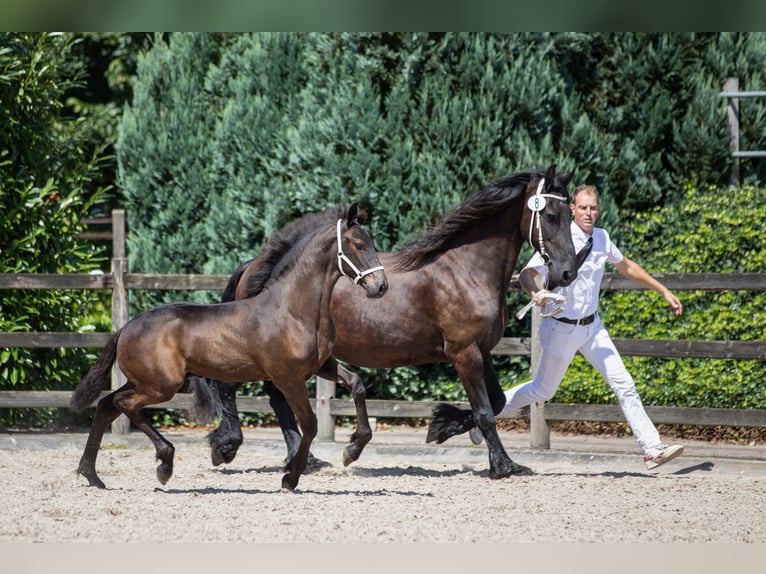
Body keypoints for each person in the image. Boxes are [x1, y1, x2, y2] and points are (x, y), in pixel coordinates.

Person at [501, 184, 684, 470]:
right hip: (561, 329)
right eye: (583, 207)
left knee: (624, 383)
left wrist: (662, 290)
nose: (589, 213)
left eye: (593, 208)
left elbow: (627, 267)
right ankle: (490, 409)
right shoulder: (559, 239)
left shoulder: (602, 238)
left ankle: (651, 449)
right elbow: (527, 274)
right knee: (542, 391)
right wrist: (536, 293)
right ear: (572, 209)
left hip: (593, 328)